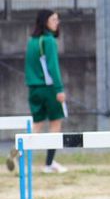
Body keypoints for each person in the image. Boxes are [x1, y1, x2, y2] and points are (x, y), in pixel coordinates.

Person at [9, 10, 68, 174]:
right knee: (55, 124)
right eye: (54, 19)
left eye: (57, 19)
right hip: (49, 88)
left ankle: (18, 151)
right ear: (45, 22)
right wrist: (59, 89)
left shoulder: (32, 41)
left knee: (37, 125)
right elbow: (53, 67)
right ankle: (49, 163)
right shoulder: (49, 41)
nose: (57, 22)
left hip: (33, 88)